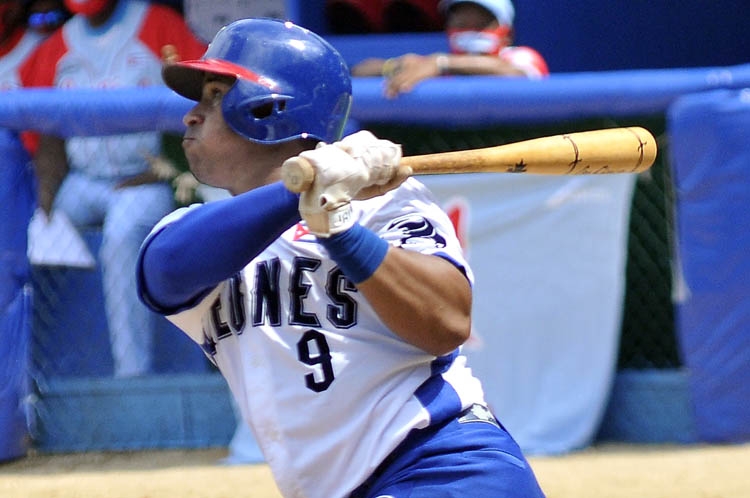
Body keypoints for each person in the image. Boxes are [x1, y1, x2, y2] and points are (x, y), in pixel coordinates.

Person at [136, 18, 546, 498]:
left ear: (268, 109)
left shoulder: (384, 204)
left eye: (214, 96)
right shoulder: (196, 233)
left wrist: (341, 229)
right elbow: (164, 270)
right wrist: (307, 188)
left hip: (446, 466)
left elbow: (448, 320)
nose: (191, 115)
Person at [19, 0, 206, 377]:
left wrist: (172, 171)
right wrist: (43, 209)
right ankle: (28, 376)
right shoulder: (55, 47)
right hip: (84, 181)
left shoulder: (158, 25)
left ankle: (131, 375)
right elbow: (46, 137)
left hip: (144, 179)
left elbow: (204, 100)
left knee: (122, 234)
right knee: (21, 234)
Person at [351, 0, 549, 98]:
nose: (470, 32)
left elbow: (519, 74)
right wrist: (395, 66)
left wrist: (442, 64)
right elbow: (359, 71)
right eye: (462, 24)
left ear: (507, 33)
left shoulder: (521, 56)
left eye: (480, 25)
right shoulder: (429, 66)